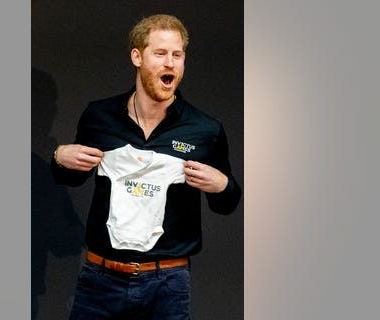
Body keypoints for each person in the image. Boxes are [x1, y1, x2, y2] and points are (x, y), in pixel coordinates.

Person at [51, 14, 241, 320]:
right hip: (100, 278)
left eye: (177, 55)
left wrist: (222, 184)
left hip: (167, 283)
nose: (170, 63)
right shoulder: (100, 117)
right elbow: (70, 178)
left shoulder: (205, 129)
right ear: (137, 56)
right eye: (161, 53)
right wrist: (59, 156)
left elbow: (228, 202)